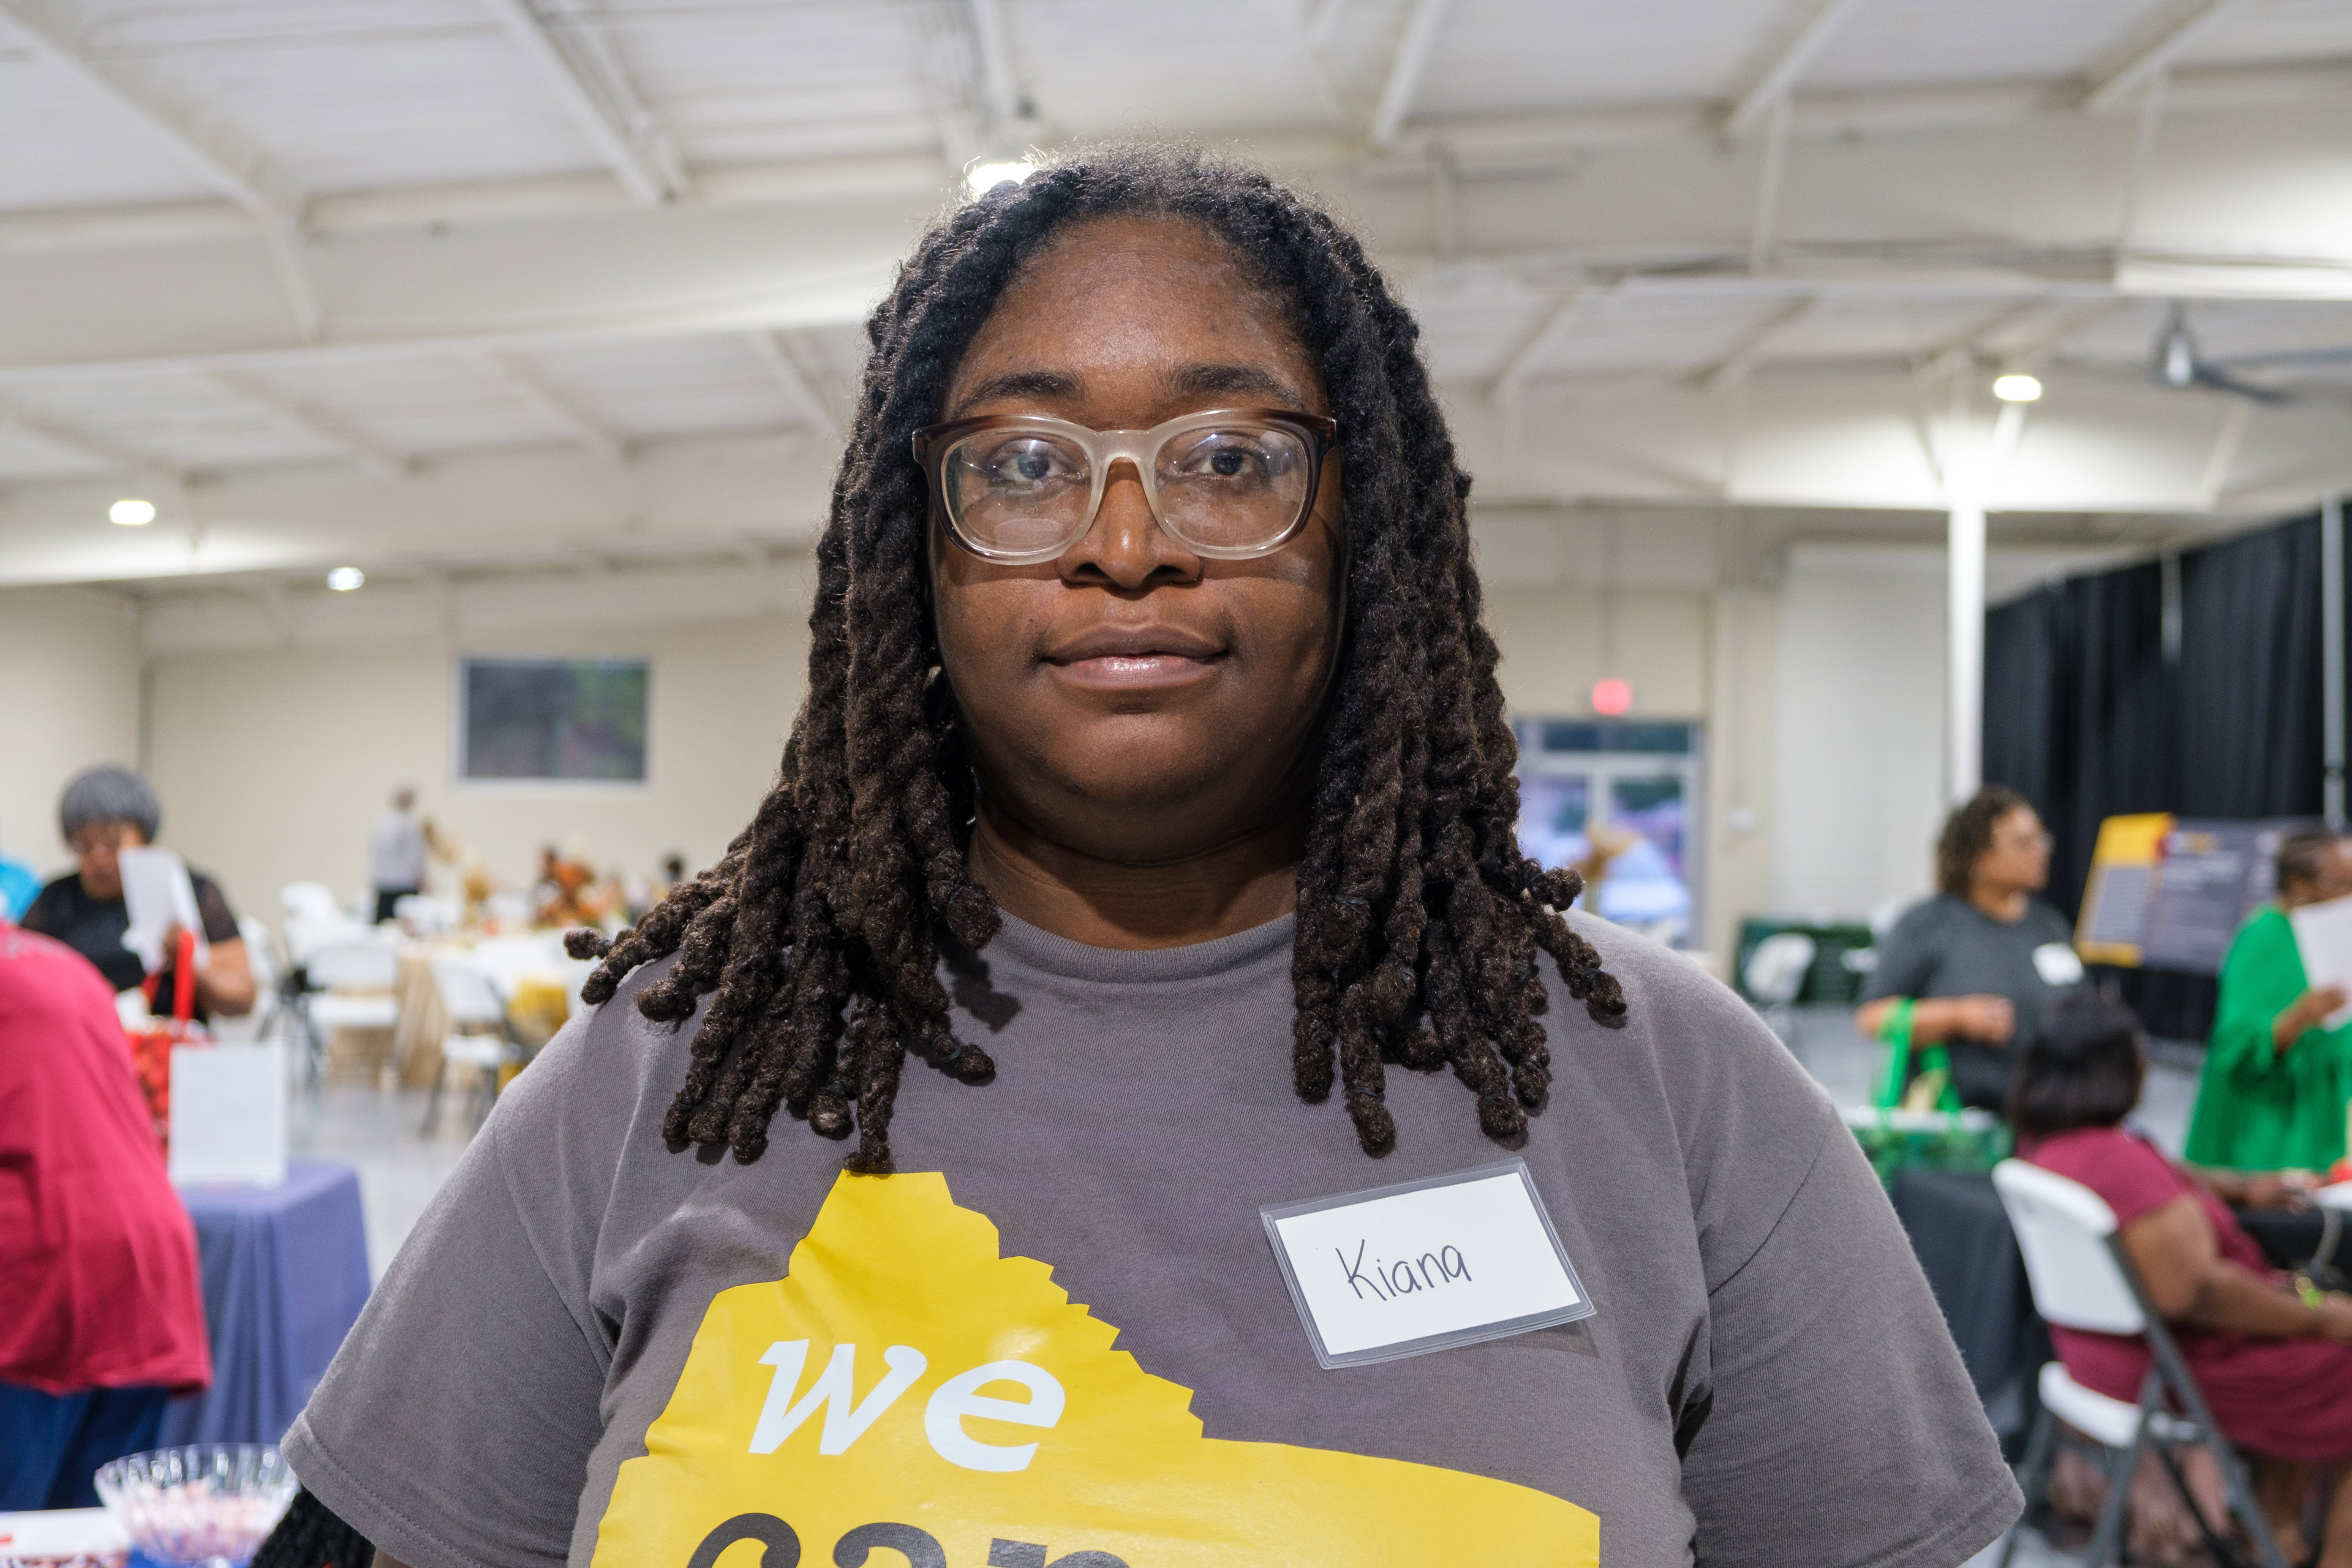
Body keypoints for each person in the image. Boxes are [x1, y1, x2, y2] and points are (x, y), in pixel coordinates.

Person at [282, 146, 2016, 1568]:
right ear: (916, 550)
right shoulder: (671, 1067)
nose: (1126, 542)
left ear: (1367, 530)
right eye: (1027, 463)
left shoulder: (1673, 1092)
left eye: (1228, 458)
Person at [2017, 993, 2352, 1566]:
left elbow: (2167, 1177)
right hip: (2175, 1367)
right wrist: (2319, 1318)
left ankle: (2277, 1527)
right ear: (2118, 1069)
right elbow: (2199, 1291)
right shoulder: (2117, 1161)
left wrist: (2242, 1189)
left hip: (2099, 1356)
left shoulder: (2059, 1146)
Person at [0, 912, 211, 1507]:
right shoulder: (64, 965)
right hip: (144, 1256)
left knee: (17, 1530)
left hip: (41, 1261)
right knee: (96, 1535)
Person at [1857, 786, 2083, 1110]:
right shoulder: (1926, 925)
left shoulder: (2049, 924)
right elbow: (1871, 1019)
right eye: (2022, 843)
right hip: (1961, 1131)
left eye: (2041, 839)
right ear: (1977, 857)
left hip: (2051, 1115)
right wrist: (1957, 1017)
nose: (2039, 851)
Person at [21, 765, 254, 1023]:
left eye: (112, 842)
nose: (99, 858)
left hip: (166, 1053)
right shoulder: (53, 900)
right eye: (84, 847)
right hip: (83, 1050)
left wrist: (186, 961)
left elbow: (242, 999)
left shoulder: (191, 890)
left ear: (144, 834)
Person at [2185, 827, 2352, 1173]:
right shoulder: (2262, 937)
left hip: (2329, 1107)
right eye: (2340, 883)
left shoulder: (2337, 925)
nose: (2349, 895)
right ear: (2299, 884)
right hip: (2269, 1120)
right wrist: (2301, 1016)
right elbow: (2236, 1043)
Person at [367, 785, 428, 925]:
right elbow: (415, 857)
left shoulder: (382, 821)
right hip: (405, 885)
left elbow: (374, 853)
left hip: (385, 884)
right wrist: (423, 878)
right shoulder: (411, 823)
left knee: (384, 928)